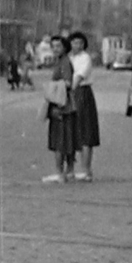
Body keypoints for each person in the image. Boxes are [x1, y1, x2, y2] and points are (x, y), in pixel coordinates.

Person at [41, 35, 77, 183]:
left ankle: (59, 172)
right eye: (53, 46)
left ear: (65, 47)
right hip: (65, 104)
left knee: (59, 140)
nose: (55, 49)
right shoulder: (61, 62)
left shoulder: (64, 63)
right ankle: (69, 171)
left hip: (61, 104)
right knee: (67, 139)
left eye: (58, 46)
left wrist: (52, 87)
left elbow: (68, 82)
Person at [68, 30, 99, 182]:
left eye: (80, 43)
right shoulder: (69, 58)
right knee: (72, 131)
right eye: (74, 42)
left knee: (86, 132)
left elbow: (80, 76)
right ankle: (71, 170)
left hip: (82, 93)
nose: (77, 45)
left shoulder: (85, 58)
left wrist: (70, 90)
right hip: (70, 93)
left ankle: (86, 170)